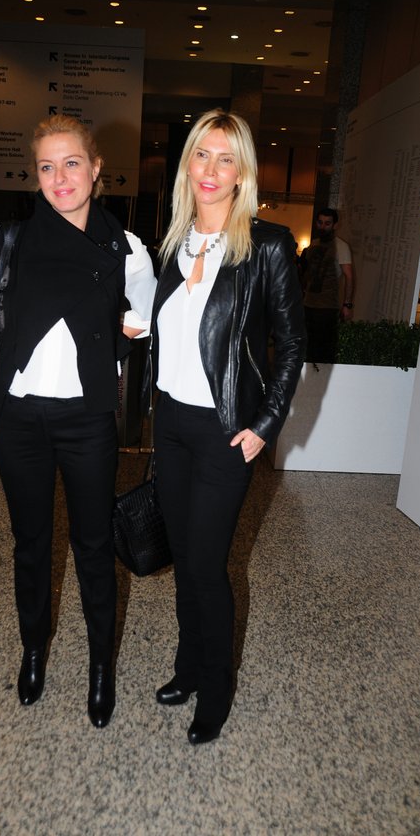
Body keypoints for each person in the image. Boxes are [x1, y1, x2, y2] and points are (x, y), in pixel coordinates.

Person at [0, 114, 156, 727]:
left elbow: (145, 317)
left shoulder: (126, 249)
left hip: (88, 421)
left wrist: (118, 333)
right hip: (19, 420)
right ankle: (34, 650)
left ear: (96, 168)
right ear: (36, 175)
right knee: (30, 544)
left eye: (72, 163)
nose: (60, 178)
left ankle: (101, 665)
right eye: (47, 167)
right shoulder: (10, 240)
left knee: (93, 546)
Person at [144, 109, 306, 745]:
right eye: (201, 155)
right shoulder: (173, 242)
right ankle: (187, 666)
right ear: (188, 164)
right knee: (185, 557)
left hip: (226, 430)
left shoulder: (266, 246)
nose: (211, 170)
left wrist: (265, 424)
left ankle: (217, 687)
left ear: (243, 173)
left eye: (225, 158)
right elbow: (174, 331)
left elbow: (292, 345)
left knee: (208, 564)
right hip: (171, 425)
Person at [301, 207, 355, 363]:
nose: (323, 227)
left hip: (327, 307)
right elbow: (308, 273)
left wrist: (347, 305)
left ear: (335, 225)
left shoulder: (341, 246)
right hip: (308, 304)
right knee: (306, 348)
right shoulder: (314, 244)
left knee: (323, 352)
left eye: (327, 223)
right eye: (320, 222)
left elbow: (349, 276)